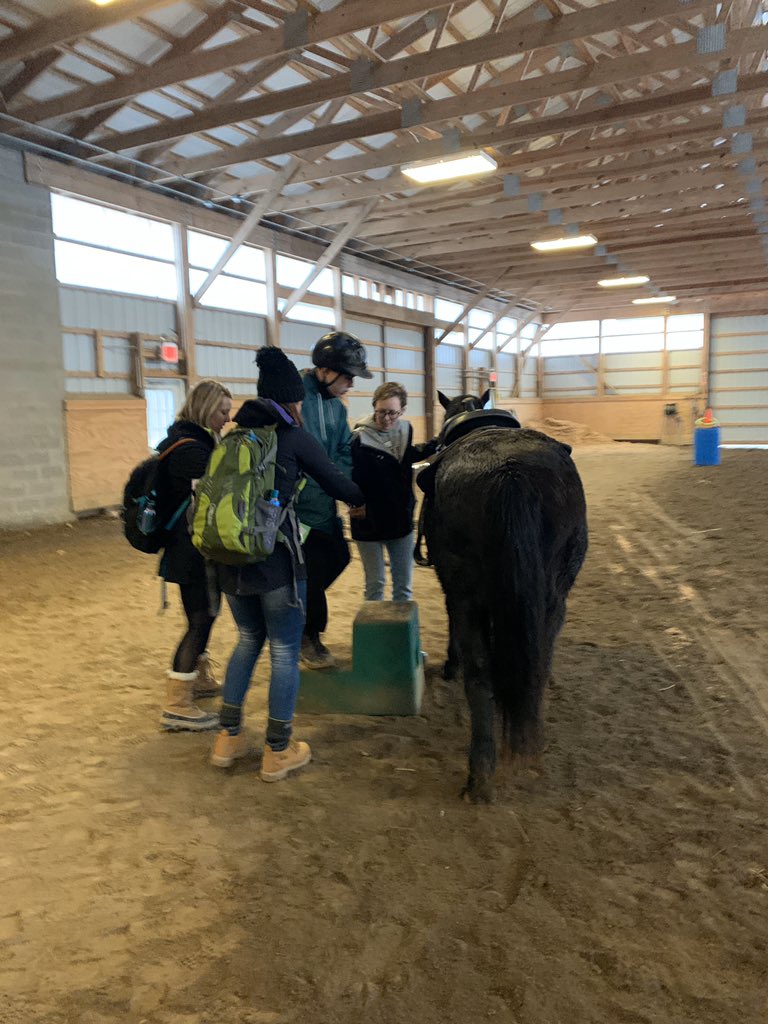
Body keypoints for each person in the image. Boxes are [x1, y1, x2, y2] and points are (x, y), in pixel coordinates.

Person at [210, 346, 365, 781]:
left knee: (246, 641)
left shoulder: (234, 438)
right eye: (296, 401)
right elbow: (338, 484)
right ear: (288, 401)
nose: (300, 407)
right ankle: (277, 749)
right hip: (274, 562)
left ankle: (228, 737)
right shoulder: (292, 436)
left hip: (231, 562)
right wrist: (362, 498)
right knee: (283, 649)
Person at [157, 379, 232, 732]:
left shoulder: (188, 440)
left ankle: (197, 679)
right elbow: (215, 493)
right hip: (190, 551)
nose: (226, 418)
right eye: (222, 411)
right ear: (205, 409)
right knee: (200, 620)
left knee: (205, 617)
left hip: (187, 548)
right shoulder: (193, 450)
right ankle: (176, 706)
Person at [296, 330, 372, 670]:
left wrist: (335, 483)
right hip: (297, 507)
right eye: (348, 377)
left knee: (339, 557)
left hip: (324, 501)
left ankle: (296, 612)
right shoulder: (296, 397)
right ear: (326, 371)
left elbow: (342, 449)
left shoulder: (336, 409)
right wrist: (321, 482)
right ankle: (308, 636)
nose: (351, 385)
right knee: (312, 570)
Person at [351, 382, 436, 602]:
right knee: (375, 584)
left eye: (392, 413)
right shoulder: (359, 439)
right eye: (381, 412)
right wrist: (354, 504)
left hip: (400, 519)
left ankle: (400, 636)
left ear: (402, 411)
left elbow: (405, 459)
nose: (387, 418)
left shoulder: (405, 430)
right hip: (368, 522)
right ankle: (375, 634)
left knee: (403, 586)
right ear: (374, 408)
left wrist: (435, 445)